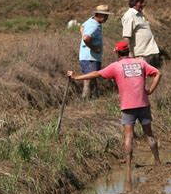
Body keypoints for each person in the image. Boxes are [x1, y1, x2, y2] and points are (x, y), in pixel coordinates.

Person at [67, 41, 162, 183]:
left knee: (128, 136)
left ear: (117, 53)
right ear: (128, 51)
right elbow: (158, 73)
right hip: (143, 103)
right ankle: (157, 161)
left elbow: (96, 74)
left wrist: (76, 76)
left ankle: (128, 167)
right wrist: (150, 91)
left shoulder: (116, 66)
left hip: (127, 106)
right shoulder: (140, 63)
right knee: (148, 133)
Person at [78, 4, 113, 99]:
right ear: (100, 15)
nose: (107, 18)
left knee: (91, 78)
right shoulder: (94, 26)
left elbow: (81, 27)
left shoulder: (91, 21)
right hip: (90, 58)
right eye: (106, 16)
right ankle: (85, 100)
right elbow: (86, 38)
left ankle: (92, 99)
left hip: (88, 57)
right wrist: (94, 48)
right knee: (88, 80)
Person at [121, 0, 161, 68]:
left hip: (147, 52)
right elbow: (126, 36)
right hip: (140, 54)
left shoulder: (139, 15)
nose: (143, 5)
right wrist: (130, 53)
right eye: (141, 2)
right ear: (136, 3)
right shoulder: (129, 15)